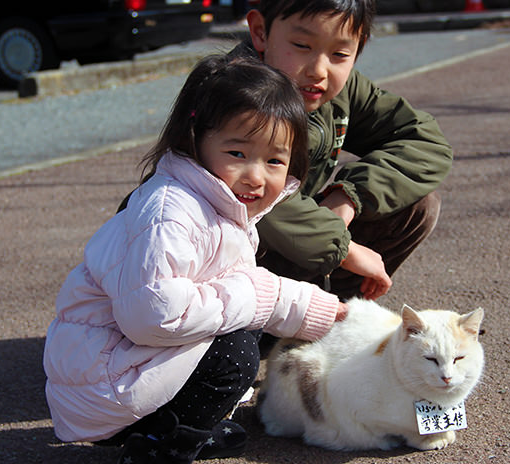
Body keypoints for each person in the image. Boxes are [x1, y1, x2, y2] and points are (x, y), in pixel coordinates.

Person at [43, 54, 346, 464]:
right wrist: (259, 297)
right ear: (195, 139)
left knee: (245, 325)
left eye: (275, 160)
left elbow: (242, 295)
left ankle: (179, 427)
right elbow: (153, 316)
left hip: (121, 368)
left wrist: (320, 312)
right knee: (236, 351)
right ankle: (159, 446)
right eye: (237, 152)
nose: (256, 176)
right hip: (106, 382)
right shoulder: (172, 212)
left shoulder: (219, 205)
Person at [231, 0, 454, 301]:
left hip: (295, 242)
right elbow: (248, 199)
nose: (318, 70)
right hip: (226, 257)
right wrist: (344, 248)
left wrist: (348, 196)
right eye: (301, 46)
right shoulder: (233, 95)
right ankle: (263, 318)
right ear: (260, 32)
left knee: (418, 205)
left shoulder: (340, 91)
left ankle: (330, 312)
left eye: (339, 54)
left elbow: (425, 140)